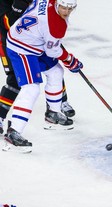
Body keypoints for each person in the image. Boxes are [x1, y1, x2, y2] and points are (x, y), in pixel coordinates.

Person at [2, 0, 83, 153]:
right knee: (31, 88)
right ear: (58, 4)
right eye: (63, 7)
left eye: (70, 9)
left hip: (33, 42)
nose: (65, 12)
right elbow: (53, 52)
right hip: (21, 48)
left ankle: (52, 114)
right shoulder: (56, 25)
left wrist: (59, 50)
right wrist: (70, 60)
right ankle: (13, 132)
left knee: (56, 72)